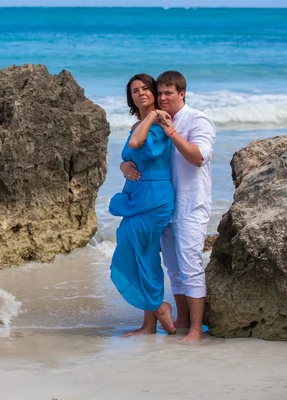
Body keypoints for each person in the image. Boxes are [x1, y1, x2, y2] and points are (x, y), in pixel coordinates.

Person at [121, 71, 216, 342]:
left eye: (168, 93)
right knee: (173, 268)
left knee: (190, 266)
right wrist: (123, 165)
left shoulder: (197, 120)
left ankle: (196, 329)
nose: (162, 98)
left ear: (182, 93)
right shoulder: (157, 120)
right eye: (159, 93)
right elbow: (143, 156)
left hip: (191, 203)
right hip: (165, 205)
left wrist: (171, 131)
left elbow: (198, 157)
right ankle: (183, 320)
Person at [109, 73, 175, 336]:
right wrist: (123, 165)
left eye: (146, 88)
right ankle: (149, 325)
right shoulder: (141, 124)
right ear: (130, 97)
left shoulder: (159, 125)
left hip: (154, 198)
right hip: (136, 196)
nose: (141, 93)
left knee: (137, 252)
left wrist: (152, 115)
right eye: (135, 91)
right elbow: (129, 155)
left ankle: (161, 309)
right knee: (141, 256)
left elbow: (138, 143)